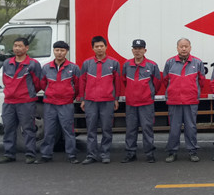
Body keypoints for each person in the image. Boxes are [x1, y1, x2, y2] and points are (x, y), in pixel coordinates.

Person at [0, 37, 43, 164]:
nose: (17, 48)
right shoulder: (7, 63)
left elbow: (38, 83)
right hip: (9, 102)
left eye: (20, 46)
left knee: (28, 128)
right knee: (8, 128)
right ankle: (9, 154)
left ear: (26, 48)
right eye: (15, 45)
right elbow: (5, 80)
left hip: (26, 101)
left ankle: (30, 154)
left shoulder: (33, 64)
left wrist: (28, 92)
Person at [79, 36, 122, 164]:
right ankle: (91, 155)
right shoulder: (87, 63)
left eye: (101, 46)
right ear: (93, 48)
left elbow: (117, 83)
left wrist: (116, 98)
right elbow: (82, 82)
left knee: (106, 129)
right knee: (91, 129)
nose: (99, 48)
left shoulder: (114, 63)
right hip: (90, 101)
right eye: (96, 46)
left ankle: (105, 154)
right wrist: (82, 99)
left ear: (106, 47)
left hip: (107, 101)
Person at [162, 38, 205, 163]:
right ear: (177, 48)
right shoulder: (170, 62)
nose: (184, 48)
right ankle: (172, 152)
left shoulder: (197, 62)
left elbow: (201, 81)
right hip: (174, 101)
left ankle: (192, 152)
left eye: (186, 46)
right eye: (181, 46)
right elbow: (165, 80)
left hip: (190, 101)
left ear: (190, 47)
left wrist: (193, 92)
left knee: (191, 127)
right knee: (174, 128)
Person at [121, 39, 162, 163]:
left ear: (145, 50)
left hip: (146, 103)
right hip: (131, 103)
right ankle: (130, 153)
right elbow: (124, 81)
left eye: (140, 49)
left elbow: (157, 83)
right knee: (130, 129)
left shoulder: (152, 65)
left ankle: (149, 153)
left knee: (147, 129)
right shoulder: (126, 65)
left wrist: (149, 94)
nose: (137, 51)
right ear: (132, 50)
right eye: (135, 49)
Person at [39, 40, 80, 164]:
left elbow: (77, 85)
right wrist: (50, 92)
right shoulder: (46, 68)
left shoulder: (73, 68)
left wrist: (70, 96)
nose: (59, 53)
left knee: (68, 130)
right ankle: (46, 155)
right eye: (57, 50)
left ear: (66, 52)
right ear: (53, 51)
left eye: (62, 50)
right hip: (50, 104)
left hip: (66, 104)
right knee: (49, 130)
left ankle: (72, 155)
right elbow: (42, 84)